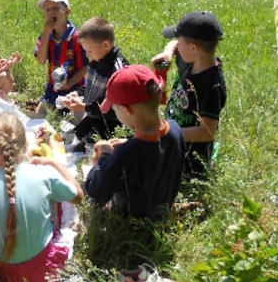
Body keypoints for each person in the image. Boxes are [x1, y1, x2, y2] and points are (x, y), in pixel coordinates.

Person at [0, 113, 84, 282]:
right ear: (25, 143)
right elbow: (78, 196)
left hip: (4, 279)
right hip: (46, 274)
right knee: (60, 199)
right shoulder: (43, 174)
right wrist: (54, 164)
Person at [83, 65, 185, 222]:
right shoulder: (176, 130)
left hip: (131, 223)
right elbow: (155, 150)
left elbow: (95, 189)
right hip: (161, 210)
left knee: (85, 194)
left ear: (126, 110)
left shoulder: (128, 154)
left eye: (114, 109)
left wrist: (104, 155)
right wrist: (130, 141)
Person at [150, 11, 227, 179]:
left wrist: (167, 131)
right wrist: (167, 53)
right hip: (171, 135)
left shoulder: (212, 86)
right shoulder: (190, 59)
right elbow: (173, 44)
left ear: (193, 47)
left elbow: (206, 132)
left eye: (180, 41)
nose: (177, 45)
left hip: (190, 155)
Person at [58, 17, 129, 152]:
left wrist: (84, 107)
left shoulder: (118, 71)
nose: (87, 55)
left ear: (105, 45)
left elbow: (112, 108)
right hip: (93, 117)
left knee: (85, 151)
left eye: (89, 51)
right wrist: (78, 93)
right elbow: (90, 87)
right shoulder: (96, 61)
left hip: (110, 125)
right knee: (68, 142)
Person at [34, 0, 87, 115]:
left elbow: (85, 67)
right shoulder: (46, 37)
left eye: (56, 8)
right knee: (38, 119)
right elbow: (41, 60)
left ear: (67, 11)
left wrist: (69, 84)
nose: (51, 13)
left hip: (74, 89)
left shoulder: (76, 38)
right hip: (53, 89)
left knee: (78, 122)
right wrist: (46, 33)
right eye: (47, 9)